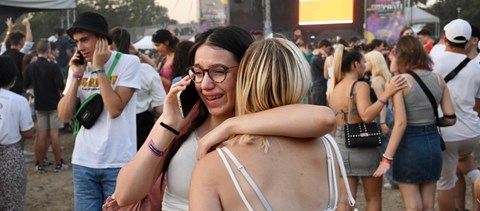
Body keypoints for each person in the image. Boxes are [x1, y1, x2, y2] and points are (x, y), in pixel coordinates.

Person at [113, 26, 336, 209]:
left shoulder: (269, 121)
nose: (206, 84)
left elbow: (324, 118)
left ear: (247, 71)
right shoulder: (183, 121)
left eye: (218, 71)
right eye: (198, 72)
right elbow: (124, 195)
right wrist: (167, 125)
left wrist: (228, 126)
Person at [188, 36, 341, 210]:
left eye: (217, 71)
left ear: (244, 82)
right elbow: (324, 117)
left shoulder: (212, 167)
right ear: (301, 77)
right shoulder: (327, 146)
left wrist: (229, 125)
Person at [57, 11, 140, 210]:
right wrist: (76, 76)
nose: (80, 47)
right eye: (77, 42)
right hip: (83, 161)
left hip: (118, 162)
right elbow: (64, 115)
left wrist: (99, 68)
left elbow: (114, 109)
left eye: (85, 40)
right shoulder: (77, 67)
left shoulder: (129, 62)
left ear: (102, 39)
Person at [374, 35, 456, 211]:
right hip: (433, 144)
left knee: (413, 206)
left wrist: (386, 159)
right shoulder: (438, 79)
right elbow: (450, 118)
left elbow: (401, 123)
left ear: (401, 56)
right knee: (428, 204)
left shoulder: (399, 82)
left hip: (409, 145)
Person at [327, 44, 405, 211]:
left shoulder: (334, 87)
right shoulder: (360, 86)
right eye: (363, 62)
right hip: (363, 145)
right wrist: (386, 93)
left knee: (345, 200)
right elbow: (366, 115)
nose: (365, 65)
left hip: (341, 144)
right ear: (355, 64)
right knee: (373, 198)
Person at [429, 19, 480, 211]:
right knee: (466, 162)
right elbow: (477, 105)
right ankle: (477, 178)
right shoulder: (476, 67)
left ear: (444, 38)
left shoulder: (433, 62)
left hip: (445, 132)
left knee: (445, 183)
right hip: (472, 132)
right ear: (468, 40)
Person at [108, 26, 167, 150]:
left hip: (108, 127)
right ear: (130, 44)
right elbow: (160, 107)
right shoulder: (145, 70)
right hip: (141, 125)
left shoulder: (99, 71)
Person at [23, 39, 67, 173]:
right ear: (48, 51)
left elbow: (25, 84)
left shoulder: (31, 67)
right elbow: (61, 86)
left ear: (37, 50)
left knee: (41, 134)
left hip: (39, 103)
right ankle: (58, 163)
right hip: (54, 103)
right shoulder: (53, 66)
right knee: (54, 134)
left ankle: (40, 164)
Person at [0, 55, 34, 210]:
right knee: (13, 201)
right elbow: (27, 132)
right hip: (10, 154)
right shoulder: (19, 101)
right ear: (12, 77)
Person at [2, 17, 33, 95]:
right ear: (21, 42)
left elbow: (4, 42)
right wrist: (27, 25)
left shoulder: (3, 52)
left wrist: (9, 29)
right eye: (23, 40)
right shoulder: (21, 54)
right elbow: (29, 43)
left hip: (3, 88)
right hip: (17, 88)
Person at [310, 39, 332, 106]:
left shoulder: (316, 58)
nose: (329, 51)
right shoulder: (317, 59)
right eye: (328, 49)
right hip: (319, 88)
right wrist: (326, 55)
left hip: (318, 87)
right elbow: (330, 68)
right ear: (323, 47)